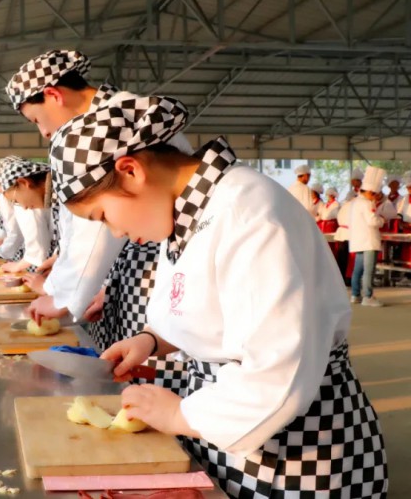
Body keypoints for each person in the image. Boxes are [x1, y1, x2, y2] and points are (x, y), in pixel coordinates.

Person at [47, 94, 387, 497]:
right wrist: (151, 340)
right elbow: (204, 306)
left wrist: (179, 414)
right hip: (231, 431)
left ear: (131, 171)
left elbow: (278, 372)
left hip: (300, 450)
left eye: (103, 216)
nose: (115, 232)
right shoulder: (190, 211)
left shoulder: (247, 211)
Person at [6, 50, 128, 323]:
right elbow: (77, 228)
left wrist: (61, 295)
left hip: (145, 278)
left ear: (53, 95)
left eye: (37, 120)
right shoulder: (105, 117)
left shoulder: (107, 124)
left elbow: (95, 229)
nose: (44, 132)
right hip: (115, 278)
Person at [349, 166, 387, 307]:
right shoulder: (366, 203)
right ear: (370, 192)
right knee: (368, 270)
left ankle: (355, 294)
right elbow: (372, 221)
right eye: (374, 194)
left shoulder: (355, 202)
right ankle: (368, 296)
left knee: (358, 270)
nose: (375, 197)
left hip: (359, 240)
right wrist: (382, 220)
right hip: (369, 240)